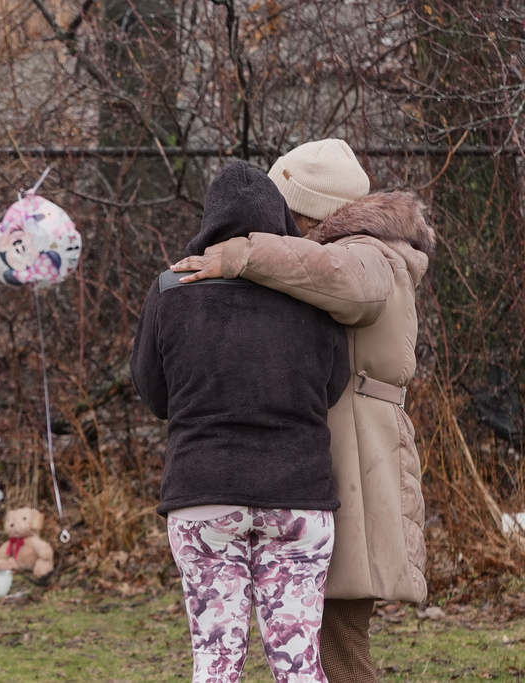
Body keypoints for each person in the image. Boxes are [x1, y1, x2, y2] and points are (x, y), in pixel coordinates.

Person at [172, 138, 435, 683]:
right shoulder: (351, 253)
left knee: (332, 642)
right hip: (339, 461)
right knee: (318, 643)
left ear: (307, 209)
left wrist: (244, 253)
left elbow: (344, 280)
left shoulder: (367, 253)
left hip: (356, 461)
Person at [131, 161, 350, 682]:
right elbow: (333, 386)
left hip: (204, 493)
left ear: (209, 221)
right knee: (298, 661)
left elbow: (152, 391)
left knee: (216, 659)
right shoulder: (309, 294)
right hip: (298, 495)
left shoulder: (169, 289)